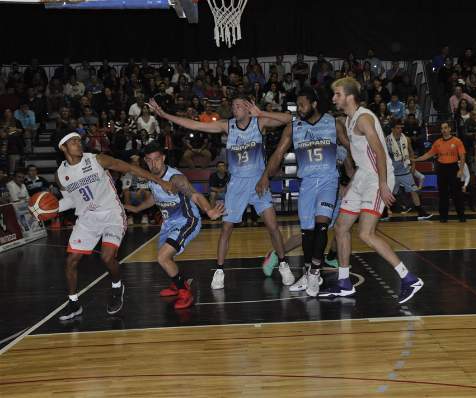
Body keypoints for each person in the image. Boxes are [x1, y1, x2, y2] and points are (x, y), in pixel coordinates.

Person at [147, 96, 295, 290]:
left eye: (240, 105)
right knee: (226, 229)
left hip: (259, 182)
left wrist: (262, 113)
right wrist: (164, 114)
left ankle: (283, 263)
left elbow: (290, 119)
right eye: (234, 106)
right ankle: (219, 270)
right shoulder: (228, 126)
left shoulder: (260, 122)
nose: (236, 108)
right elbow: (195, 125)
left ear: (249, 107)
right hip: (236, 185)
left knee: (273, 226)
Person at [54, 133, 174, 321]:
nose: (78, 143)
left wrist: (159, 180)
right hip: (87, 219)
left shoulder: (97, 159)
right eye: (73, 141)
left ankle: (117, 287)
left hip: (112, 214)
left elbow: (129, 168)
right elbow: (71, 200)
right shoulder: (61, 174)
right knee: (71, 261)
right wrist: (51, 208)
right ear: (63, 147)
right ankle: (73, 303)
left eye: (79, 140)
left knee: (107, 257)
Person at [328, 77, 423, 303]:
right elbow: (363, 159)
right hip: (363, 177)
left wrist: (382, 183)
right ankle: (344, 282)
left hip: (378, 178)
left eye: (338, 94)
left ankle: (409, 278)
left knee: (365, 233)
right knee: (341, 227)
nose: (334, 98)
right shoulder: (350, 119)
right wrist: (351, 183)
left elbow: (380, 152)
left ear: (350, 97)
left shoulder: (363, 119)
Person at [256, 88, 351, 296]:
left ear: (314, 104)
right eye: (297, 105)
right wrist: (265, 176)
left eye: (302, 105)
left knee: (322, 226)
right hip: (307, 183)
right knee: (307, 233)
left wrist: (352, 180)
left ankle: (315, 272)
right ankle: (308, 272)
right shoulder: (293, 127)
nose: (298, 109)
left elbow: (349, 149)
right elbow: (279, 153)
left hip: (329, 181)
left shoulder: (333, 123)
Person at [125, 142, 224, 309]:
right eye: (149, 160)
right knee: (166, 258)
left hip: (187, 220)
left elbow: (195, 195)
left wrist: (208, 211)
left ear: (163, 158)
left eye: (156, 159)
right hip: (169, 223)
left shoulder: (175, 178)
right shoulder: (151, 177)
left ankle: (185, 293)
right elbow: (155, 198)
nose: (153, 164)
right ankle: (178, 282)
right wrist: (136, 208)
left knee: (162, 257)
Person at [415, 122, 467, 223]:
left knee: (457, 194)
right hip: (442, 169)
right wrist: (416, 159)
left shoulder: (457, 141)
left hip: (453, 168)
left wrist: (460, 170)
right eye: (442, 128)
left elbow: (462, 156)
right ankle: (443, 217)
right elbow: (428, 154)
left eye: (446, 128)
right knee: (443, 194)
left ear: (450, 129)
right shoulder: (437, 142)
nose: (444, 130)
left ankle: (461, 216)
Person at [385, 120, 432, 220]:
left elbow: (411, 153)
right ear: (392, 129)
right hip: (392, 172)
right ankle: (384, 212)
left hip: (405, 171)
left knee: (414, 190)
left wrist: (413, 166)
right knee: (388, 193)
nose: (400, 129)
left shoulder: (406, 139)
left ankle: (421, 212)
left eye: (401, 128)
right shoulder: (386, 140)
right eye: (398, 128)